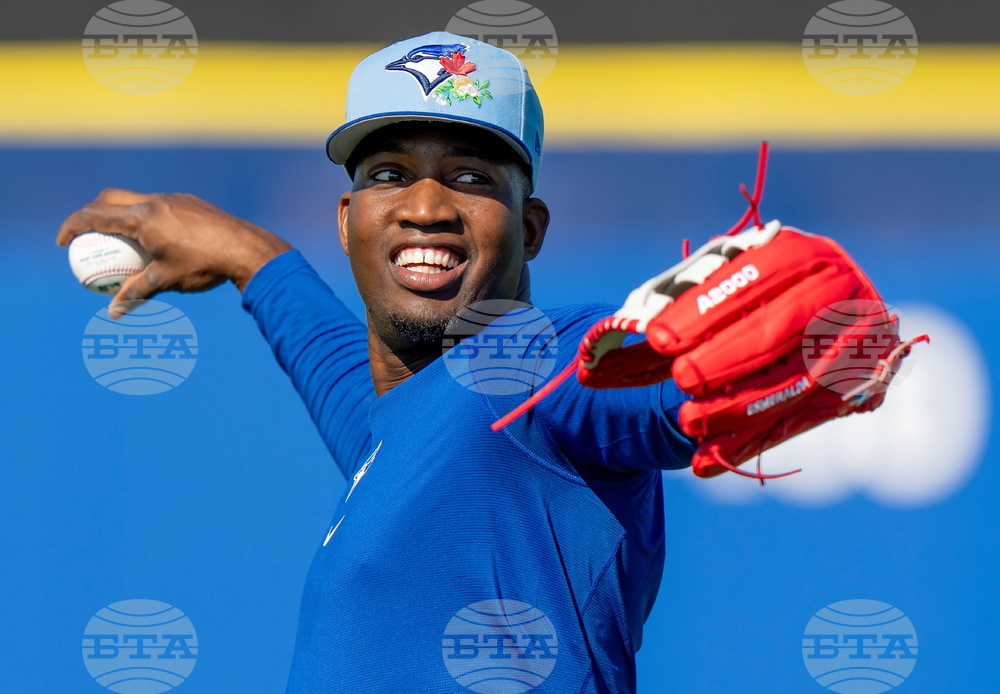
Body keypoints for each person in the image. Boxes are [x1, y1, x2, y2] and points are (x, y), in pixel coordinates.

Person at [58, 32, 696, 693]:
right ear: (346, 220)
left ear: (529, 228)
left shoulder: (534, 365)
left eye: (470, 177)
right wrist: (249, 257)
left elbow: (664, 375)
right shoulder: (393, 435)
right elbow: (356, 391)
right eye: (389, 174)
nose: (425, 208)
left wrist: (761, 350)